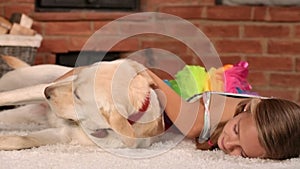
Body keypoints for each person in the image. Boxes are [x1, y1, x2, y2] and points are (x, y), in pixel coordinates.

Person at [146, 69, 300, 160]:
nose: (228, 144)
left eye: (243, 154)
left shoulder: (261, 130)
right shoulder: (209, 117)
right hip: (177, 97)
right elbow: (193, 124)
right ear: (246, 107)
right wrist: (144, 72)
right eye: (236, 130)